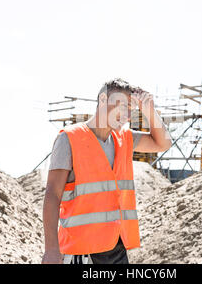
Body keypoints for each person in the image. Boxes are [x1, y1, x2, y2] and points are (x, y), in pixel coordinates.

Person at [42, 78, 172, 264]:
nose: (128, 115)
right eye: (123, 106)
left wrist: (149, 110)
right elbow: (52, 195)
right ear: (103, 100)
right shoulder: (69, 139)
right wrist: (51, 250)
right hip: (81, 251)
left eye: (131, 109)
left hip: (116, 249)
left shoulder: (124, 138)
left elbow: (163, 143)